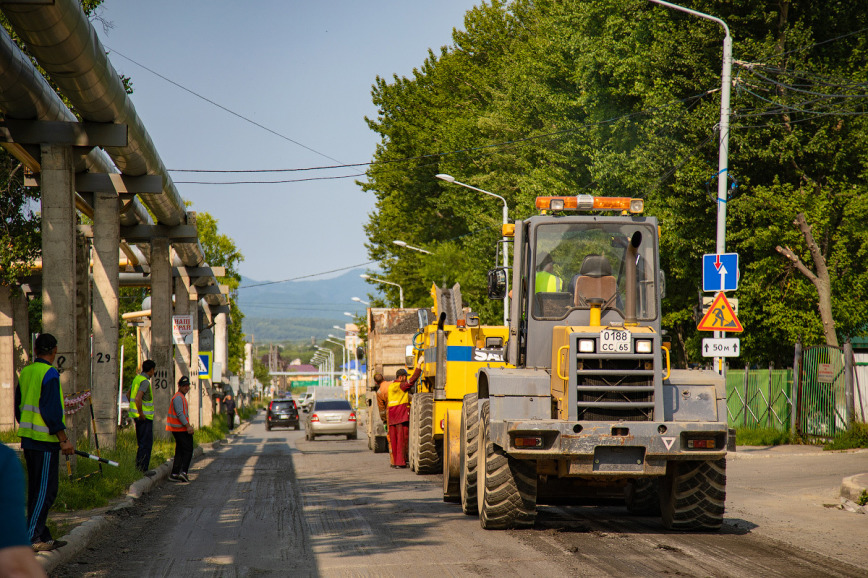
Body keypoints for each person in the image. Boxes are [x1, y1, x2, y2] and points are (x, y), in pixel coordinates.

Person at [14, 333, 73, 553]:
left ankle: (41, 533)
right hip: (44, 442)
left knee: (37, 490)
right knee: (47, 491)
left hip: (29, 440)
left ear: (36, 350)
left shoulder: (26, 372)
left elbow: (19, 407)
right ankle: (32, 537)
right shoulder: (50, 373)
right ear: (55, 350)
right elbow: (51, 411)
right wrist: (63, 440)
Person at [0, 442, 47, 575]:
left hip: (32, 443)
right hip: (45, 443)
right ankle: (35, 536)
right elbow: (14, 566)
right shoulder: (3, 460)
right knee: (44, 490)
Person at [387, 365, 421, 469]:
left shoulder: (391, 386)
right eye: (405, 377)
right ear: (401, 377)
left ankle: (395, 462)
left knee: (394, 441)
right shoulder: (400, 386)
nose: (406, 379)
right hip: (400, 416)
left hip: (392, 416)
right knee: (402, 440)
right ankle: (400, 462)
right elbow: (412, 380)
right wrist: (418, 367)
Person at [129, 360, 157, 476]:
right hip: (144, 418)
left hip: (136, 417)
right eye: (153, 370)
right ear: (151, 370)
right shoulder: (145, 382)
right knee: (146, 443)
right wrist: (141, 413)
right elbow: (137, 398)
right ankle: (143, 469)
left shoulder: (137, 379)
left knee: (141, 443)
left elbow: (128, 394)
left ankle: (138, 467)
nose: (153, 372)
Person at [166, 376, 194, 483]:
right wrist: (188, 426)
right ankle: (184, 472)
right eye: (184, 386)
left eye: (187, 385)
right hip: (180, 429)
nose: (186, 387)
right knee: (188, 449)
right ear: (179, 386)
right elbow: (179, 413)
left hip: (178, 429)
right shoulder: (178, 397)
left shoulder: (181, 397)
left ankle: (175, 473)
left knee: (180, 451)